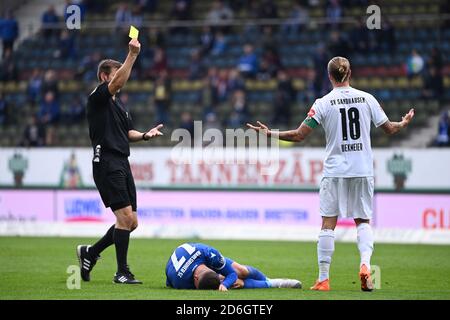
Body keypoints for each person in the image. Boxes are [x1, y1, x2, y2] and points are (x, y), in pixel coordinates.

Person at [247, 56, 415, 292]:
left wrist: (269, 133)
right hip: (362, 169)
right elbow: (389, 129)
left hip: (335, 171)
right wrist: (403, 123)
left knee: (328, 223)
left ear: (329, 76)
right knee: (363, 221)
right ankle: (365, 265)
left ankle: (323, 279)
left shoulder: (323, 103)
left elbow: (298, 135)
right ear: (350, 73)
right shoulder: (367, 99)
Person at [76, 37, 164, 285]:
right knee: (124, 218)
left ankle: (90, 253)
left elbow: (128, 134)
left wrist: (145, 135)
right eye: (116, 74)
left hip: (122, 162)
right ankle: (121, 272)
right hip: (106, 161)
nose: (121, 78)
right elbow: (118, 82)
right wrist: (132, 55)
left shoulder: (119, 106)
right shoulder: (98, 97)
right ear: (105, 77)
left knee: (131, 222)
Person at [166, 242, 301, 290]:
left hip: (199, 255)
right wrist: (227, 283)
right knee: (236, 283)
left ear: (196, 278)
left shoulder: (210, 254)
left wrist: (225, 284)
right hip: (179, 269)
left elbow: (231, 274)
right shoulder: (181, 282)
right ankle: (275, 283)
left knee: (241, 271)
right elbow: (170, 282)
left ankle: (267, 279)